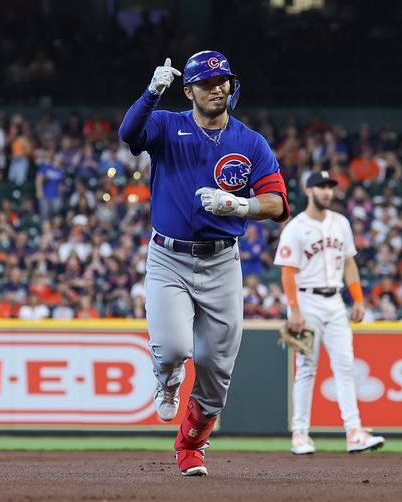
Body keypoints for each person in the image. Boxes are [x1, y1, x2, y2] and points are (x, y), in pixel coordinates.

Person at [118, 51, 289, 476]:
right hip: (168, 256)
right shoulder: (166, 123)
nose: (217, 88)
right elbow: (129, 134)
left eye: (223, 80)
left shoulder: (249, 141)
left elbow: (279, 203)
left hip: (221, 262)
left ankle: (192, 446)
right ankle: (168, 378)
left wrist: (239, 205)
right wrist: (150, 94)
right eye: (207, 82)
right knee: (174, 347)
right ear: (188, 89)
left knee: (217, 367)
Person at [273, 171, 385, 455]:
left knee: (346, 367)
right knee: (306, 368)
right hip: (306, 299)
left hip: (335, 301)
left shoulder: (341, 223)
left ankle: (354, 432)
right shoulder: (296, 227)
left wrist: (358, 299)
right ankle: (300, 434)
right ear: (308, 191)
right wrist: (294, 310)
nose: (327, 192)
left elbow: (349, 264)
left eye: (330, 187)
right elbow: (288, 273)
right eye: (321, 187)